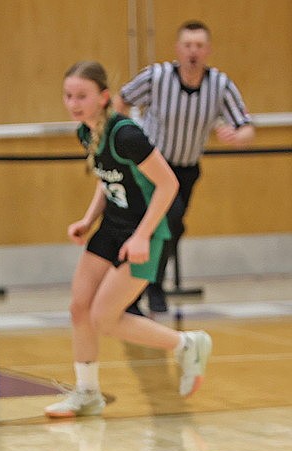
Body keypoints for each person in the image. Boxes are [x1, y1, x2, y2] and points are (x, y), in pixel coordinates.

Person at [46, 61, 212, 419]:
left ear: (104, 97)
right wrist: (89, 219)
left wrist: (141, 236)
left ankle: (187, 344)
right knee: (79, 308)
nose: (74, 103)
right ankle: (87, 393)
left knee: (105, 317)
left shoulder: (126, 135)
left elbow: (169, 185)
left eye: (82, 96)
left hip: (148, 229)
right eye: (68, 95)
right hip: (112, 226)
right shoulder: (87, 131)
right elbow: (106, 178)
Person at [116, 20, 253, 314]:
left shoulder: (220, 85)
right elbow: (121, 99)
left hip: (187, 169)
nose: (193, 52)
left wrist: (235, 136)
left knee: (169, 227)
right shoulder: (157, 76)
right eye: (188, 45)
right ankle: (147, 288)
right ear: (178, 49)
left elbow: (246, 128)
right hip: (151, 168)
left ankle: (144, 287)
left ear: (208, 50)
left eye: (200, 46)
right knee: (167, 219)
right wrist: (122, 136)